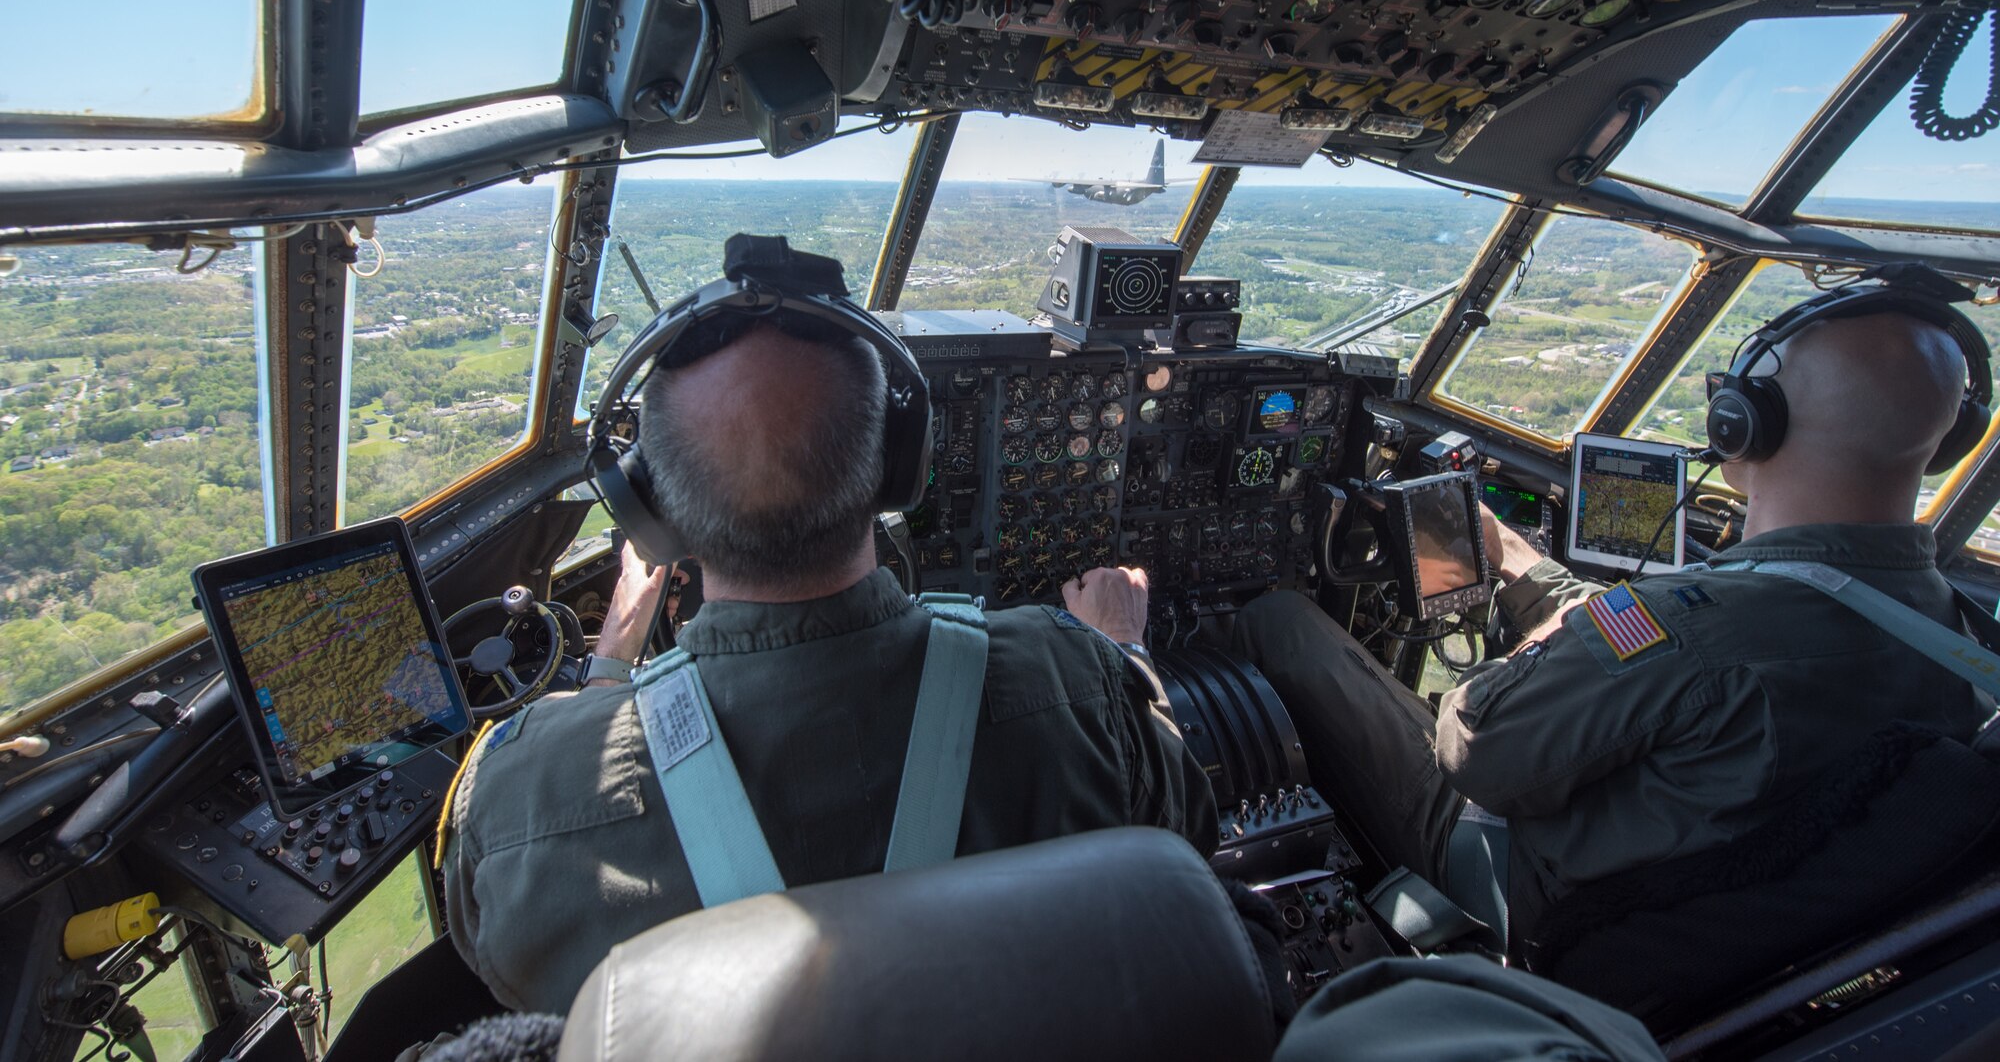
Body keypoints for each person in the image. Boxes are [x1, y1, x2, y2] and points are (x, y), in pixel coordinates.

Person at [442, 318, 1216, 1013]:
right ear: (894, 472)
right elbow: (1186, 839)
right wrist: (1121, 648)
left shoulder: (516, 797)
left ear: (653, 512)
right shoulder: (1078, 680)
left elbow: (486, 963)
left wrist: (612, 662)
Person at [1222, 301, 1993, 949]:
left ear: (1745, 422)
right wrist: (1528, 572)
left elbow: (1474, 747)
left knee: (1281, 619)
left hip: (1531, 888)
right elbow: (1653, 646)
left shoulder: (1699, 629)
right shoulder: (1961, 635)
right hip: (1705, 925)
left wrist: (1533, 649)